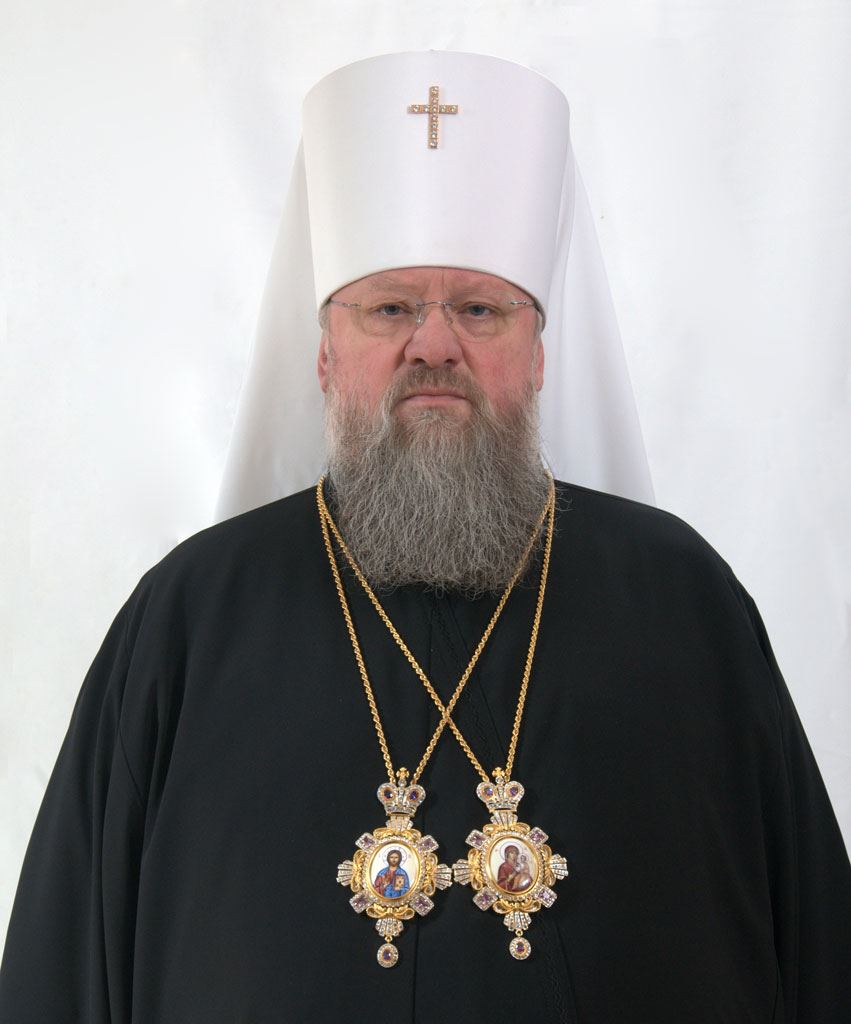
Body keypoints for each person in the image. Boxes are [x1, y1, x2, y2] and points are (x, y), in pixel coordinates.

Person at [2, 50, 850, 1024]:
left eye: (479, 309)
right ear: (325, 356)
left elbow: (817, 960)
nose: (434, 344)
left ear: (537, 355)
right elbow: (62, 979)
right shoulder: (187, 621)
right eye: (390, 308)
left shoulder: (682, 601)